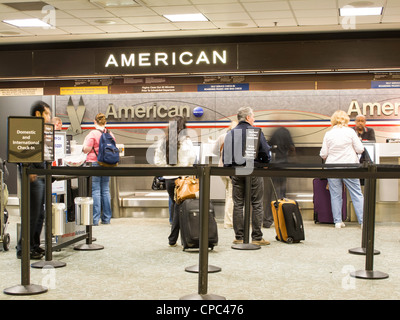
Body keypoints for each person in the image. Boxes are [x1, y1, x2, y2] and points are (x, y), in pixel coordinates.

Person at [223, 107, 271, 245]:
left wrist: (230, 172)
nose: (254, 119)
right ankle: (256, 238)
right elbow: (265, 151)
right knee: (256, 203)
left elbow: (226, 155)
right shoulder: (255, 131)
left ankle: (239, 237)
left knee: (238, 204)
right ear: (248, 118)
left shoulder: (230, 133)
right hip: (254, 170)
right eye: (253, 117)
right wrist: (265, 163)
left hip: (236, 172)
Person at [154, 116, 196, 247]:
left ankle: (175, 239)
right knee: (180, 208)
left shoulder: (163, 141)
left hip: (169, 180)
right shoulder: (186, 141)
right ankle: (180, 239)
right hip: (182, 179)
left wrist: (168, 167)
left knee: (177, 207)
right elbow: (191, 159)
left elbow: (157, 161)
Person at [16, 100, 52, 259]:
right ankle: (23, 248)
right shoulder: (27, 127)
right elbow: (19, 148)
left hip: (41, 173)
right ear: (38, 114)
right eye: (47, 114)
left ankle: (35, 245)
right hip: (32, 175)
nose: (49, 118)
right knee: (31, 214)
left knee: (40, 214)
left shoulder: (42, 130)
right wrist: (28, 166)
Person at [320, 110, 364, 228]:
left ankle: (338, 222)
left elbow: (323, 154)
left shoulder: (328, 134)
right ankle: (362, 221)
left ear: (333, 120)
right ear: (346, 120)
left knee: (335, 195)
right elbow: (360, 149)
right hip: (349, 166)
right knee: (356, 193)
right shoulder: (350, 132)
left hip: (332, 166)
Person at [82, 113, 115, 226]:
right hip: (107, 163)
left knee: (96, 191)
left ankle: (95, 220)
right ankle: (106, 218)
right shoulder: (110, 133)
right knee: (105, 190)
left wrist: (83, 148)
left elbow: (86, 149)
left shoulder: (93, 133)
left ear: (94, 122)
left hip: (95, 162)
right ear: (105, 122)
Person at [263, 126, 295, 228]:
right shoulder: (286, 131)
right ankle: (280, 219)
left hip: (272, 166)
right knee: (280, 193)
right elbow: (292, 148)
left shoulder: (274, 132)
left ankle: (268, 220)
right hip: (283, 166)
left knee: (269, 194)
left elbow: (267, 146)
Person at [212, 120, 238, 229]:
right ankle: (228, 222)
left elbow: (214, 151)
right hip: (231, 170)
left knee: (228, 194)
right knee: (231, 196)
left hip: (221, 169)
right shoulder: (237, 137)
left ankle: (229, 220)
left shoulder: (222, 137)